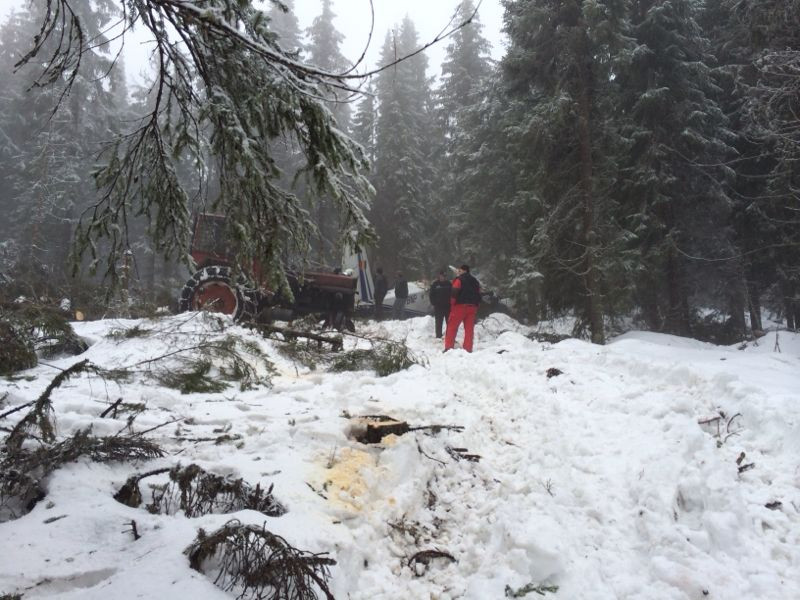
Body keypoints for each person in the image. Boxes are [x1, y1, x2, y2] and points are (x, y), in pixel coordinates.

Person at [444, 264, 481, 352]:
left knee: (452, 327)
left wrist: (452, 304)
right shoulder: (475, 281)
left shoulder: (459, 280)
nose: (458, 272)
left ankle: (449, 347)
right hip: (472, 308)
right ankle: (468, 348)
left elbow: (454, 292)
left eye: (460, 270)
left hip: (459, 307)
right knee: (469, 330)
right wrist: (476, 306)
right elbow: (479, 294)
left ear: (464, 271)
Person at [429, 270, 452, 338]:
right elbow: (431, 295)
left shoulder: (449, 284)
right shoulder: (435, 284)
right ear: (439, 276)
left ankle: (449, 336)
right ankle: (438, 336)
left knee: (449, 322)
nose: (442, 277)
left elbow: (452, 294)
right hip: (438, 307)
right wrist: (434, 303)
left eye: (444, 276)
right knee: (439, 322)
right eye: (441, 276)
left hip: (448, 306)